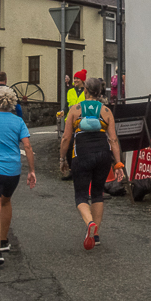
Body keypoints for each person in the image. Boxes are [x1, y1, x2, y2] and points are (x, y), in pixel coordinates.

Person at [60, 76, 125, 250]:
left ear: (86, 91)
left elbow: (66, 137)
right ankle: (95, 236)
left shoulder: (75, 109)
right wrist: (118, 163)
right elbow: (113, 139)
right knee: (97, 193)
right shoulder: (106, 111)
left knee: (81, 195)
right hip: (103, 155)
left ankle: (90, 223)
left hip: (81, 155)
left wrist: (61, 159)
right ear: (100, 91)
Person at [0, 86, 36, 268]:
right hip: (12, 170)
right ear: (12, 104)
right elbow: (27, 146)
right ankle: (3, 240)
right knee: (6, 201)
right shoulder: (18, 122)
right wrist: (31, 170)